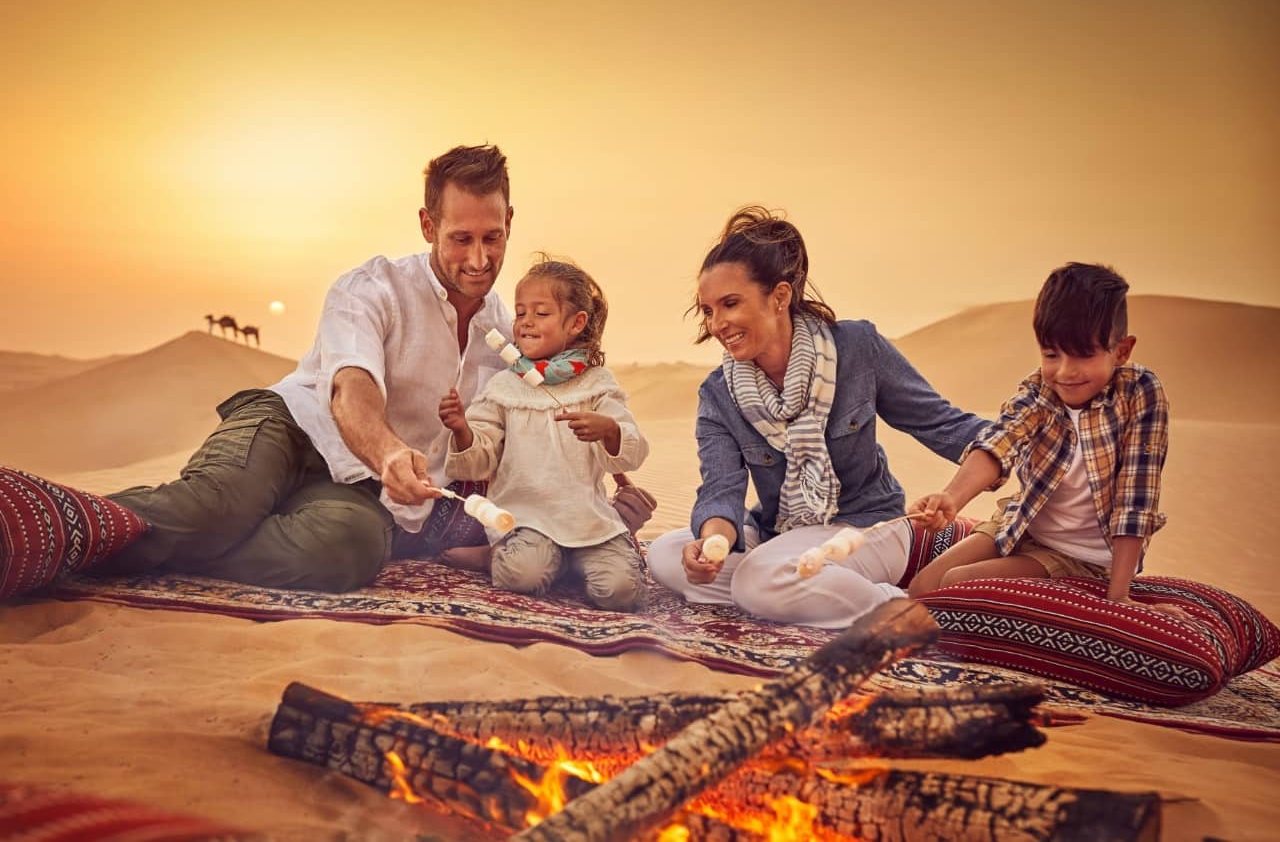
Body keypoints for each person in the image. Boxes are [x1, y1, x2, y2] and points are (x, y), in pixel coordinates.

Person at [97, 144, 653, 593]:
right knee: (213, 507)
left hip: (362, 490)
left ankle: (190, 553)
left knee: (348, 551)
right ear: (427, 224)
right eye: (461, 238)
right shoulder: (372, 287)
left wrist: (596, 501)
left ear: (509, 222)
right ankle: (43, 527)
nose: (480, 260)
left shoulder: (509, 338)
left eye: (493, 237)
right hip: (291, 428)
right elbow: (350, 387)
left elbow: (521, 438)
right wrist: (389, 452)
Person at [646, 207, 988, 628]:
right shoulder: (719, 393)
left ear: (780, 296)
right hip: (779, 532)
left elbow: (946, 425)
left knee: (757, 581)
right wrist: (713, 542)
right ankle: (797, 590)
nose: (718, 324)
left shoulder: (858, 348)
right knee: (665, 555)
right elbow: (721, 491)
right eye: (709, 311)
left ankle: (894, 609)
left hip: (867, 527)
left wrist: (1024, 445)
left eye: (730, 304)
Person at [906, 263, 1183, 617]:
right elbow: (999, 443)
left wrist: (1119, 597)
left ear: (1122, 351)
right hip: (1021, 525)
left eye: (1084, 354)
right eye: (1052, 355)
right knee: (923, 587)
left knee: (960, 582)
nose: (1065, 371)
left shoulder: (1140, 394)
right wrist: (951, 497)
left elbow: (1136, 499)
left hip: (1083, 556)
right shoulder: (1039, 390)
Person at [438, 257, 650, 611]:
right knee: (523, 576)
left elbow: (633, 450)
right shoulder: (503, 387)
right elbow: (479, 459)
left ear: (576, 323)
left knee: (621, 593)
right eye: (520, 313)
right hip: (528, 519)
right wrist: (462, 429)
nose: (525, 323)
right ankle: (498, 555)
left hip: (587, 521)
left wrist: (610, 431)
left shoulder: (597, 383)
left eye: (541, 313)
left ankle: (572, 561)